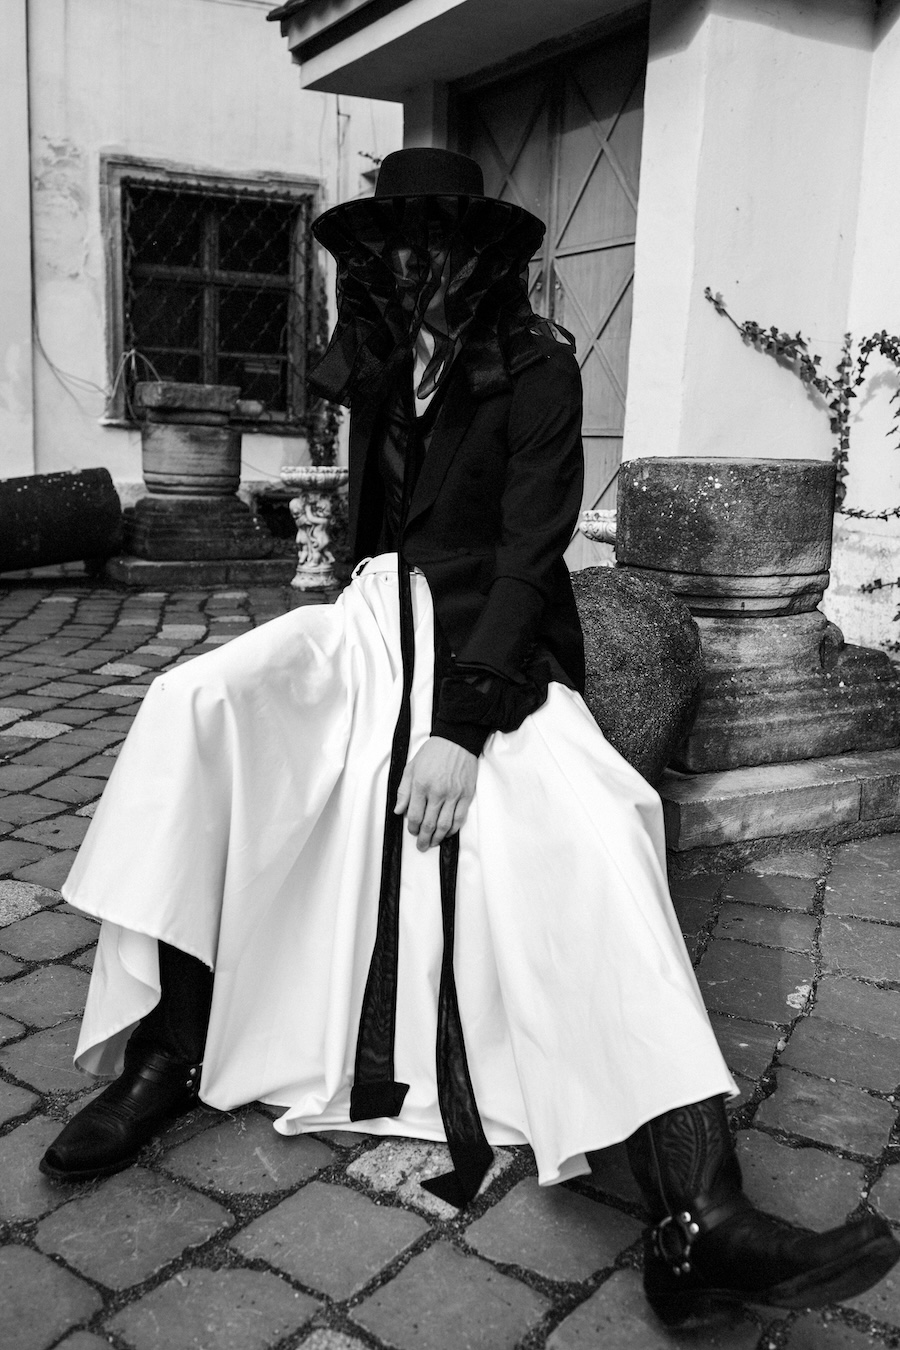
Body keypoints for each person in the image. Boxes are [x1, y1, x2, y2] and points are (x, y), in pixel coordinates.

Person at [40, 149, 898, 1326]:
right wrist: (344, 643)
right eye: (393, 245)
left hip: (492, 641)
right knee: (193, 703)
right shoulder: (377, 361)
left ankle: (701, 1215)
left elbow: (530, 556)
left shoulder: (539, 369)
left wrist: (459, 725)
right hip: (369, 623)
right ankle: (168, 1053)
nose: (413, 265)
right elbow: (369, 540)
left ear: (479, 255)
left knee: (601, 820)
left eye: (434, 244)